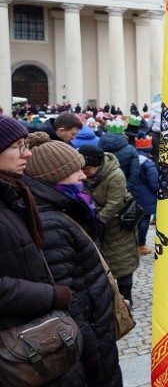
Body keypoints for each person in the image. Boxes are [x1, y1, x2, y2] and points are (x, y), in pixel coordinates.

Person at [24, 133, 123, 386]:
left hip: (95, 328)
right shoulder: (52, 223)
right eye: (75, 170)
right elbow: (68, 297)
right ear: (52, 176)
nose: (83, 175)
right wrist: (91, 349)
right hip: (88, 340)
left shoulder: (67, 207)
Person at [0, 116, 86, 385]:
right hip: (17, 349)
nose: (27, 152)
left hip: (35, 339)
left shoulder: (14, 193)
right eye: (17, 146)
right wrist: (52, 295)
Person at [77, 144, 140, 307]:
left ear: (98, 165)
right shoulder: (84, 175)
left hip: (118, 225)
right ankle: (109, 295)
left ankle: (126, 297)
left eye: (88, 169)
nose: (84, 173)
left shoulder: (115, 175)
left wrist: (98, 221)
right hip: (98, 224)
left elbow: (115, 203)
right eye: (82, 168)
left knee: (123, 261)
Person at [133, 137, 159, 255]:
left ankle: (133, 244)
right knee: (144, 221)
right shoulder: (148, 163)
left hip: (133, 194)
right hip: (146, 197)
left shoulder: (131, 159)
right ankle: (141, 245)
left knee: (134, 220)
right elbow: (154, 182)